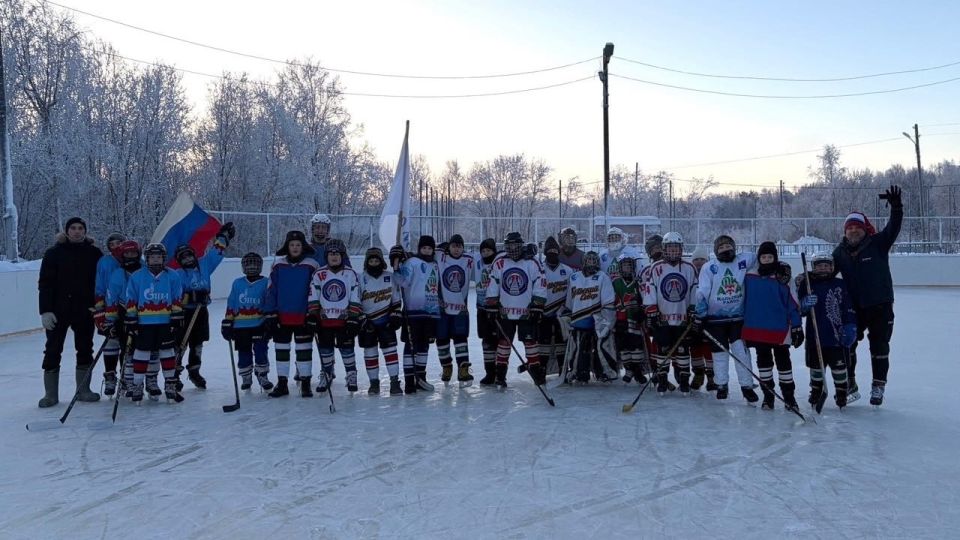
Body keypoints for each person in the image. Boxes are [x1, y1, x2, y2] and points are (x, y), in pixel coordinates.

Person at [831, 185, 902, 406]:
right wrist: (807, 280)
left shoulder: (878, 243)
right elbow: (827, 275)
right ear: (845, 231)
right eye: (849, 228)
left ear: (864, 229)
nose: (853, 231)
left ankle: (878, 386)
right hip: (854, 308)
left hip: (880, 305)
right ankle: (849, 382)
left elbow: (894, 227)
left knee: (879, 346)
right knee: (847, 344)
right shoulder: (839, 252)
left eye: (857, 227)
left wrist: (896, 207)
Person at [37, 217, 104, 408]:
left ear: (85, 231)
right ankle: (50, 394)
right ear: (67, 231)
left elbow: (100, 282)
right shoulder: (53, 253)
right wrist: (46, 311)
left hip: (85, 310)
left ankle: (83, 390)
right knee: (52, 349)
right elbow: (45, 284)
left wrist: (99, 306)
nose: (77, 231)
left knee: (85, 348)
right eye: (73, 228)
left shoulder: (94, 253)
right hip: (58, 311)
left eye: (80, 228)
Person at [172, 222, 235, 389]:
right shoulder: (177, 275)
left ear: (194, 255)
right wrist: (191, 296)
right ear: (179, 260)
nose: (187, 259)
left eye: (189, 255)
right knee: (181, 343)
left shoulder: (204, 265)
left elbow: (217, 252)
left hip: (201, 312)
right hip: (184, 314)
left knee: (197, 343)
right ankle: (174, 374)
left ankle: (194, 371)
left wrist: (224, 236)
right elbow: (175, 297)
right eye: (183, 257)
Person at [694, 235, 755, 400]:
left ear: (734, 248)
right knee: (719, 353)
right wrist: (700, 315)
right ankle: (721, 384)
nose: (725, 249)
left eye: (728, 246)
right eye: (721, 248)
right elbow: (703, 292)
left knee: (741, 352)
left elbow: (765, 260)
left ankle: (747, 386)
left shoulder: (744, 260)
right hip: (715, 321)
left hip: (738, 319)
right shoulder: (709, 267)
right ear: (716, 251)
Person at [742, 241, 802, 410]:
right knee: (764, 363)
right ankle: (768, 396)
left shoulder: (783, 277)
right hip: (758, 329)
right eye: (763, 257)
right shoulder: (749, 276)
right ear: (759, 258)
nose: (767, 260)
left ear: (775, 258)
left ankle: (789, 397)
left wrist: (797, 326)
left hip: (780, 329)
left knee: (784, 364)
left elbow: (793, 302)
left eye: (770, 257)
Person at [484, 232, 547, 389]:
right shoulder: (500, 261)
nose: (512, 249)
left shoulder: (532, 262)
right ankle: (500, 375)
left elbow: (540, 282)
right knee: (504, 343)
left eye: (515, 245)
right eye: (509, 246)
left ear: (521, 245)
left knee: (530, 342)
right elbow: (493, 282)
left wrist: (538, 304)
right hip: (505, 312)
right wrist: (492, 303)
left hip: (526, 312)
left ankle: (536, 372)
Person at [124, 243, 185, 403]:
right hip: (144, 324)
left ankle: (170, 384)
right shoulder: (137, 276)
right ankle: (137, 384)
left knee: (167, 352)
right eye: (152, 257)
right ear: (147, 258)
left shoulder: (173, 276)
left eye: (159, 257)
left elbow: (177, 298)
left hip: (165, 323)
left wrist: (176, 318)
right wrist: (132, 320)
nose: (156, 260)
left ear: (164, 258)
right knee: (141, 353)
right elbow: (131, 299)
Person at [262, 231, 321, 398]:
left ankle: (305, 383)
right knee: (281, 350)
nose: (295, 248)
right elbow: (271, 290)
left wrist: (313, 313)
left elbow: (316, 290)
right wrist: (270, 312)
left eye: (298, 245)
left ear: (303, 247)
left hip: (303, 315)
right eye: (292, 245)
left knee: (304, 350)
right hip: (282, 316)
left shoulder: (312, 265)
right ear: (287, 247)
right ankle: (282, 383)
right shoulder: (278, 265)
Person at [796, 253, 854, 411]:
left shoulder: (840, 284)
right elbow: (799, 310)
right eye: (819, 266)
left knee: (839, 367)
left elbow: (848, 306)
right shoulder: (807, 284)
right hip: (815, 335)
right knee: (816, 368)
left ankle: (842, 393)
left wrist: (850, 325)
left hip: (836, 335)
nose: (823, 268)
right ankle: (816, 391)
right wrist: (805, 304)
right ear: (813, 268)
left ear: (832, 267)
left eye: (827, 265)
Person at [641, 232, 697, 395]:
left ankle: (684, 380)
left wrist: (693, 310)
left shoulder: (689, 268)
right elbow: (650, 290)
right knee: (662, 349)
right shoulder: (656, 268)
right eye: (670, 249)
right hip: (663, 318)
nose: (673, 252)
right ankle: (663, 378)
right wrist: (651, 311)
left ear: (681, 250)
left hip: (682, 318)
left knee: (682, 350)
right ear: (664, 250)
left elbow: (694, 290)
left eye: (676, 249)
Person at [308, 239, 362, 394]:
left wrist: (353, 316)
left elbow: (355, 295)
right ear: (326, 256)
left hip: (344, 320)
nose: (334, 256)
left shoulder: (350, 274)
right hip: (325, 321)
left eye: (337, 253)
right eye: (331, 254)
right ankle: (327, 373)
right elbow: (313, 294)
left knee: (347, 348)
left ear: (342, 256)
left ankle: (351, 374)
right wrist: (312, 315)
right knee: (325, 349)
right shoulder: (319, 274)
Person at [391, 236, 442, 393]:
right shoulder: (412, 262)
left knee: (424, 345)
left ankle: (421, 377)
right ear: (419, 248)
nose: (427, 250)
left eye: (429, 248)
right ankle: (409, 381)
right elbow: (403, 281)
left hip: (431, 312)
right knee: (410, 345)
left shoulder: (435, 264)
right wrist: (396, 265)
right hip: (413, 311)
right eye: (424, 248)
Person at [560, 250, 617, 384]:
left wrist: (605, 318)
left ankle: (603, 371)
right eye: (588, 260)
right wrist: (568, 313)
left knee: (600, 347)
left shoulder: (603, 277)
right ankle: (579, 372)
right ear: (584, 262)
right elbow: (570, 299)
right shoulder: (574, 277)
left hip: (598, 319)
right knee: (579, 348)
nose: (591, 263)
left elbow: (608, 301)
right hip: (579, 319)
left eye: (594, 261)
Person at [221, 252, 274, 392]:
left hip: (259, 324)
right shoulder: (237, 283)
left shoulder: (266, 282)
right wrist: (227, 321)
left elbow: (269, 301)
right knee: (244, 352)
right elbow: (232, 302)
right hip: (240, 326)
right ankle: (246, 376)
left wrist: (270, 319)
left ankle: (262, 375)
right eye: (248, 264)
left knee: (261, 350)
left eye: (254, 264)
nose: (251, 267)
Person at [358, 247, 403, 395]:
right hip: (368, 322)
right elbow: (355, 302)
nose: (374, 262)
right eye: (371, 260)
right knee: (370, 353)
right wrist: (363, 319)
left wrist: (395, 316)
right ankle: (374, 383)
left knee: (390, 352)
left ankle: (394, 381)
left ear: (381, 261)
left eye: (376, 260)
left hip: (386, 321)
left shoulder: (389, 277)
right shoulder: (360, 279)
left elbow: (396, 298)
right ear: (366, 262)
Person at [102, 240, 142, 397]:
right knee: (121, 345)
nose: (130, 256)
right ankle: (120, 378)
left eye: (133, 253)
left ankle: (131, 379)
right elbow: (111, 297)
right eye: (127, 253)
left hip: (142, 313)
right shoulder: (117, 274)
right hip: (122, 312)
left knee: (135, 348)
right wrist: (110, 320)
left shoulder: (144, 270)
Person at [436, 234, 476, 387]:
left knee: (460, 339)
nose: (457, 249)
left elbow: (489, 256)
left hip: (460, 310)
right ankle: (446, 367)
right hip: (442, 309)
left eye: (459, 246)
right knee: (442, 340)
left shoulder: (469, 260)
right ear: (449, 247)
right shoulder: (441, 257)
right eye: (454, 246)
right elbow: (424, 252)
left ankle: (463, 369)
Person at [93, 232, 128, 395]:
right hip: (110, 307)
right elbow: (99, 286)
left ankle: (126, 377)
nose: (116, 246)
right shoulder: (105, 262)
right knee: (111, 341)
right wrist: (100, 311)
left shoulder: (135, 260)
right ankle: (110, 376)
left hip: (130, 309)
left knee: (127, 344)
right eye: (112, 244)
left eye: (119, 243)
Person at [538, 236, 572, 376]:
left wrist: (565, 308)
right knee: (543, 342)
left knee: (561, 342)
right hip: (543, 312)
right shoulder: (539, 269)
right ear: (545, 253)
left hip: (561, 313)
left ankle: (562, 369)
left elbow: (571, 292)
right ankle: (542, 368)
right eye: (550, 251)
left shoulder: (568, 270)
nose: (553, 253)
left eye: (555, 250)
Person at [612, 254, 647, 384]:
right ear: (620, 267)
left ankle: (638, 370)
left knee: (636, 346)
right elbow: (613, 299)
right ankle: (629, 369)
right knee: (623, 346)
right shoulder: (616, 282)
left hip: (634, 320)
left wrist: (642, 311)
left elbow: (644, 298)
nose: (627, 268)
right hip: (621, 320)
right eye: (624, 265)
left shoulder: (638, 282)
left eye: (629, 265)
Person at [689, 245, 715, 390]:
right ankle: (698, 374)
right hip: (692, 317)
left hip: (709, 317)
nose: (699, 262)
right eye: (696, 259)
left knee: (708, 347)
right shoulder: (688, 275)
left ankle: (711, 376)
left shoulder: (712, 275)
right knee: (695, 346)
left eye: (702, 259)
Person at [474, 238, 500, 385]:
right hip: (482, 309)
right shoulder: (477, 263)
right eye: (483, 251)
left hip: (497, 309)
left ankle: (500, 371)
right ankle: (489, 372)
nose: (485, 253)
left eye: (488, 251)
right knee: (486, 341)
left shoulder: (500, 263)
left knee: (498, 341)